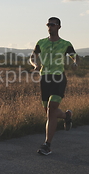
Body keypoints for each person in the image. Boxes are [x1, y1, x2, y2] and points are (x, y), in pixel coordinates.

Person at [30, 17, 79, 156]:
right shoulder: (41, 42)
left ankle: (47, 145)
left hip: (58, 78)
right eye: (48, 24)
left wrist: (75, 63)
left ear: (58, 27)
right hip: (44, 78)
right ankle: (67, 115)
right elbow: (32, 56)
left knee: (51, 110)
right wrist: (35, 65)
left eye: (52, 24)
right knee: (49, 113)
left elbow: (75, 56)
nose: (49, 27)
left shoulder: (65, 44)